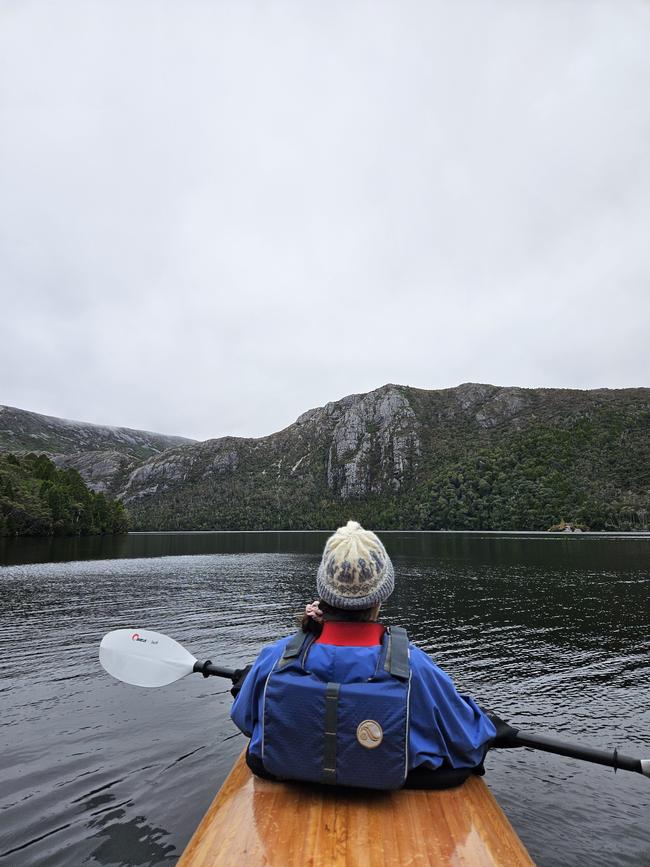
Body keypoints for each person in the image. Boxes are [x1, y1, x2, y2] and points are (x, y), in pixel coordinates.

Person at [230, 520, 501, 790]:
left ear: (324, 591)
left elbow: (244, 719)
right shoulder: (414, 667)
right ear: (381, 595)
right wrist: (487, 721)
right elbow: (467, 741)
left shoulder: (277, 657)